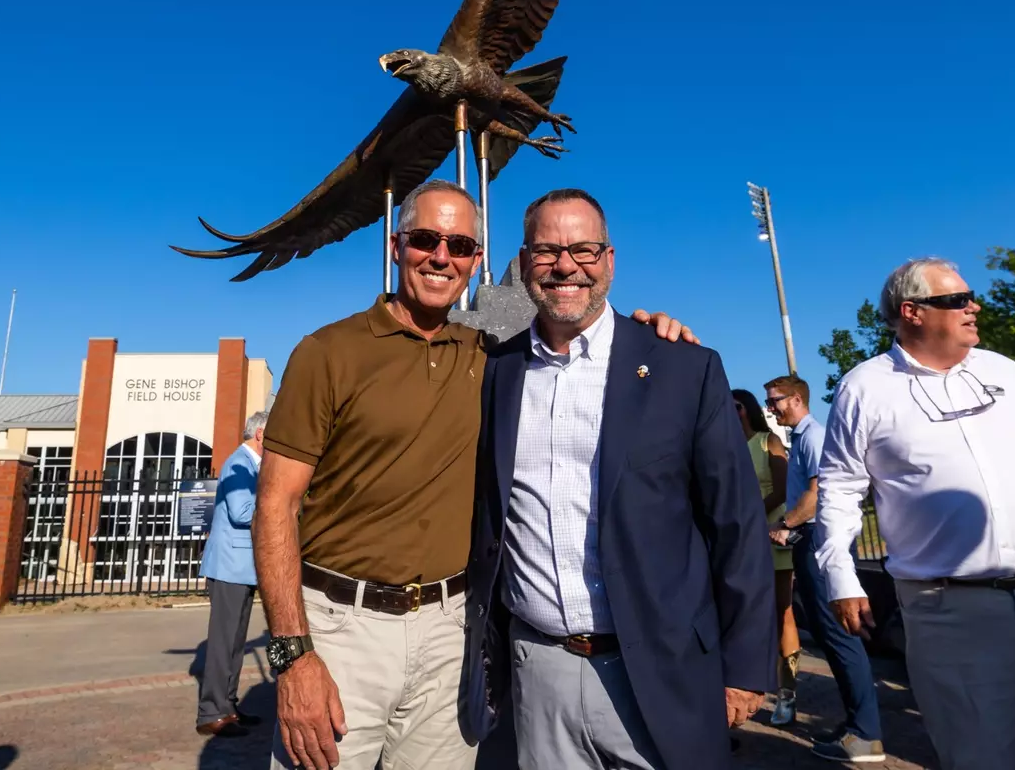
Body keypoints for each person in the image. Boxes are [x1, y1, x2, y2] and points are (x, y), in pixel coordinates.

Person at [255, 179, 691, 770]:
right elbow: (275, 506)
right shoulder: (328, 352)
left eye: (459, 245)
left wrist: (651, 334)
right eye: (425, 239)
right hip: (342, 627)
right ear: (396, 245)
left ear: (476, 259)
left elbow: (578, 323)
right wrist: (293, 656)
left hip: (449, 632)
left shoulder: (492, 353)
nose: (441, 257)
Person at [466, 188, 775, 770]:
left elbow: (736, 525)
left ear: (609, 260)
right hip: (539, 674)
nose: (566, 267)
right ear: (524, 262)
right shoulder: (495, 372)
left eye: (584, 250)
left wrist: (745, 666)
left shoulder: (683, 367)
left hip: (664, 668)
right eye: (547, 251)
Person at [816, 257, 1015, 770]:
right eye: (957, 300)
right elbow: (839, 489)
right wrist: (841, 576)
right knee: (978, 756)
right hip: (948, 609)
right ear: (912, 312)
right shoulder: (865, 387)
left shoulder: (1004, 371)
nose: (974, 307)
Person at [764, 375, 884, 763]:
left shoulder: (813, 437)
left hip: (818, 540)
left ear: (797, 399)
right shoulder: (801, 438)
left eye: (776, 400)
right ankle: (857, 726)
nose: (771, 408)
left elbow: (818, 495)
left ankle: (865, 733)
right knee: (831, 635)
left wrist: (785, 525)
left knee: (839, 634)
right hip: (810, 541)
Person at [197, 409, 269, 737]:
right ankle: (211, 713)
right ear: (260, 434)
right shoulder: (239, 464)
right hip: (229, 567)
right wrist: (276, 502)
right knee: (224, 643)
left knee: (235, 644)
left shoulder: (252, 465)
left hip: (241, 569)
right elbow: (242, 512)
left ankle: (227, 707)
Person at [733, 388, 801, 727]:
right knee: (744, 612)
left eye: (732, 407)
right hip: (740, 538)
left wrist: (752, 518)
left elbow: (782, 488)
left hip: (771, 532)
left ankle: (787, 695)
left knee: (781, 611)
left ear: (743, 409)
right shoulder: (727, 447)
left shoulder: (768, 441)